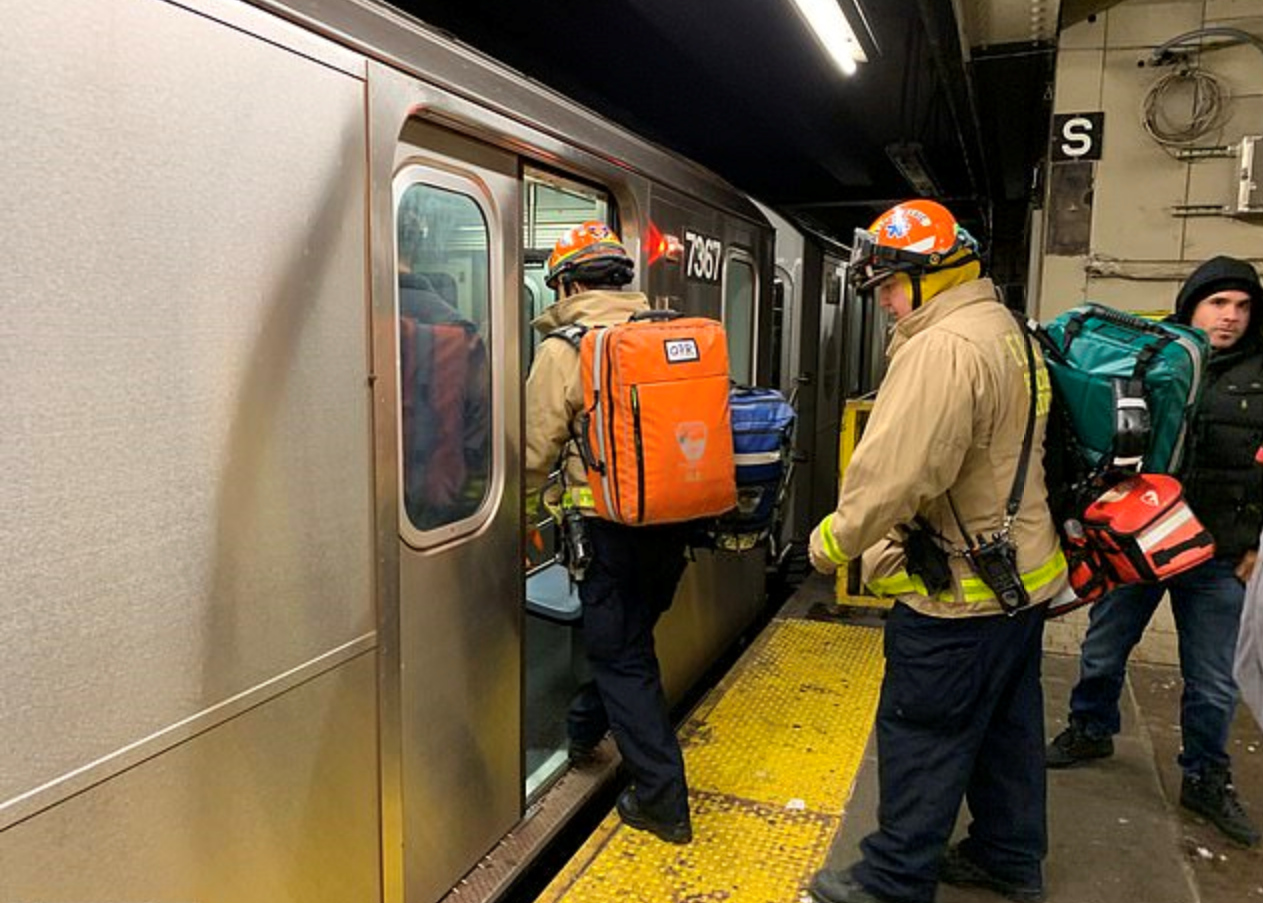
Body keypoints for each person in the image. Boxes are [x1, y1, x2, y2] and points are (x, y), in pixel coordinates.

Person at [806, 199, 1067, 903]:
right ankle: (1007, 856)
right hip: (1023, 580)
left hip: (959, 592)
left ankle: (893, 880)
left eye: (891, 285)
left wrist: (829, 543)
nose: (885, 301)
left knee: (921, 736)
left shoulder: (941, 348)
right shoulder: (1004, 326)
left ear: (932, 276)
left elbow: (893, 474)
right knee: (1005, 734)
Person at [1047, 255, 1263, 848]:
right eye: (1218, 303)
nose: (1231, 317)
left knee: (1213, 677)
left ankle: (1205, 777)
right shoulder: (1154, 356)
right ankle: (1090, 728)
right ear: (1191, 306)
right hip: (1139, 539)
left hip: (1217, 551)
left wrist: (1255, 544)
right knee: (1104, 644)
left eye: (1243, 306)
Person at [524, 221, 693, 844]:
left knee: (620, 655)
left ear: (566, 282)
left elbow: (533, 449)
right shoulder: (666, 332)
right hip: (674, 527)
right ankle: (582, 728)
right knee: (626, 642)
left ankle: (663, 800)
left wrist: (517, 509)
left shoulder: (565, 349)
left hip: (609, 533)